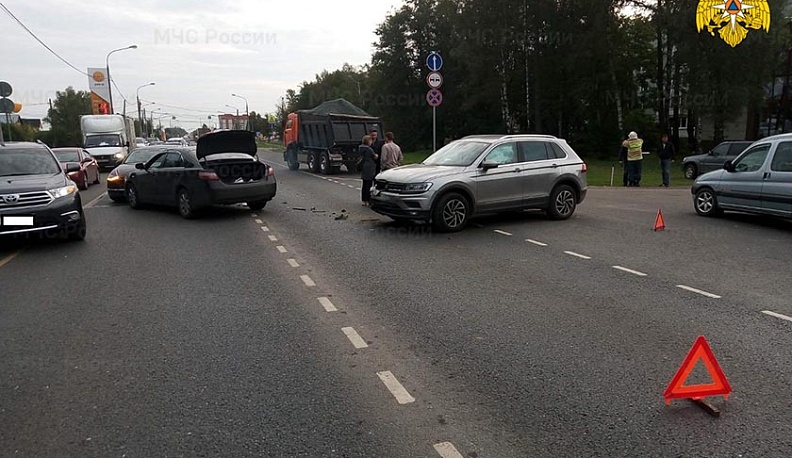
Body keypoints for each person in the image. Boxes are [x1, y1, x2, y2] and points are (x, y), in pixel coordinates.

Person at [359, 135, 378, 206]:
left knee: (364, 184)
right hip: (370, 167)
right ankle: (368, 199)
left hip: (364, 166)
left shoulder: (361, 148)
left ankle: (363, 200)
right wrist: (376, 155)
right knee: (369, 184)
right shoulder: (369, 149)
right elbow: (374, 156)